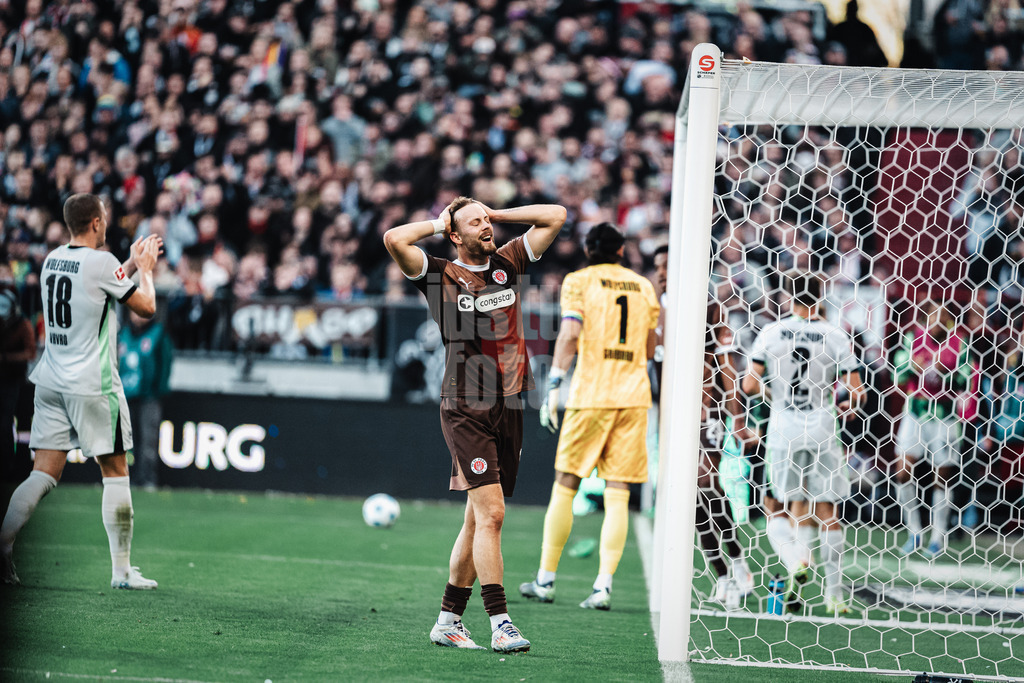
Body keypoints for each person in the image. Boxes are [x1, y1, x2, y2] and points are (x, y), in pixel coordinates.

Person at [383, 196, 566, 652]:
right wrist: (437, 220)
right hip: (466, 404)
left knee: (475, 518)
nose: (485, 226)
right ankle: (501, 622)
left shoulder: (510, 261)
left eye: (487, 219)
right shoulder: (438, 273)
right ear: (454, 234)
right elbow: (393, 238)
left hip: (512, 402)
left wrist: (495, 214)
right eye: (474, 223)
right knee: (493, 514)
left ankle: (448, 620)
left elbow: (556, 216)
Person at [1, 194, 163, 589]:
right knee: (116, 472)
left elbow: (96, 284)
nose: (106, 223)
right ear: (94, 223)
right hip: (93, 385)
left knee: (42, 473)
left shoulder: (53, 259)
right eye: (104, 218)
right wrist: (146, 271)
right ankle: (122, 571)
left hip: (51, 381)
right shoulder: (101, 263)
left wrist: (127, 263)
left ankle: (2, 545)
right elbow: (145, 308)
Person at [518, 223, 660, 611]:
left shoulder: (579, 281)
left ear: (587, 249)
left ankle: (546, 579)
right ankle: (603, 587)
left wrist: (556, 382)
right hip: (633, 398)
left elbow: (568, 335)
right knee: (618, 492)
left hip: (591, 394)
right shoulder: (644, 286)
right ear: (621, 250)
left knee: (566, 483)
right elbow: (650, 348)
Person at [742, 270, 865, 615]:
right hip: (824, 427)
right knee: (827, 511)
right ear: (820, 295)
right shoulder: (835, 335)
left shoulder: (771, 332)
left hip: (783, 428)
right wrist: (845, 403)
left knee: (779, 506)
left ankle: (797, 559)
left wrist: (772, 390)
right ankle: (835, 596)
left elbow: (749, 387)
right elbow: (858, 392)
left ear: (789, 296)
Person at [892, 300, 975, 557]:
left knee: (943, 476)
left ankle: (937, 536)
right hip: (915, 412)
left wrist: (946, 372)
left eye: (943, 318)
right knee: (903, 470)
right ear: (926, 319)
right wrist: (911, 366)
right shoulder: (913, 338)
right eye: (933, 317)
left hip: (946, 417)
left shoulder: (959, 343)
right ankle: (914, 531)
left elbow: (967, 379)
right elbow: (897, 375)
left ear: (949, 321)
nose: (937, 323)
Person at [119, 309, 174, 489]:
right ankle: (131, 478)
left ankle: (148, 478)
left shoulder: (158, 333)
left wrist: (159, 390)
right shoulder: (124, 334)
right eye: (134, 312)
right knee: (129, 439)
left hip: (149, 395)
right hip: (127, 394)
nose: (137, 316)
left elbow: (165, 362)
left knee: (148, 438)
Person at [0, 281, 36, 481]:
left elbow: (30, 353)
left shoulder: (22, 324)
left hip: (15, 381)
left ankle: (11, 468)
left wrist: (6, 358)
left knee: (8, 426)